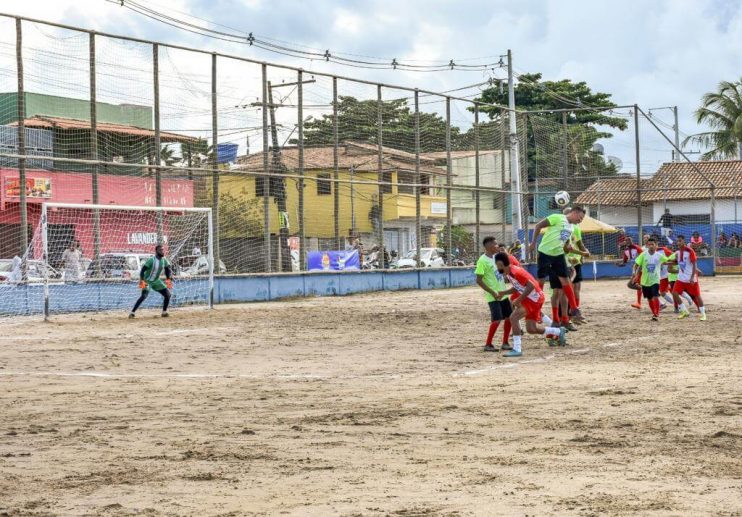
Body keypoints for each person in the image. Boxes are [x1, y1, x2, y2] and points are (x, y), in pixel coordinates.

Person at [493, 252, 567, 357]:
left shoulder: (515, 272)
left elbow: (530, 286)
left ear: (500, 264)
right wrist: (503, 293)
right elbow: (518, 287)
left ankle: (517, 349)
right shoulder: (509, 273)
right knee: (531, 329)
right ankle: (559, 332)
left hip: (534, 299)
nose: (497, 268)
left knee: (513, 317)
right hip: (533, 298)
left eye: (497, 265)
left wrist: (518, 300)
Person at [527, 205, 586, 324]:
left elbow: (565, 242)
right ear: (574, 213)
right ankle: (536, 310)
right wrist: (533, 243)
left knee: (565, 280)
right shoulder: (557, 217)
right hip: (545, 252)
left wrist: (568, 247)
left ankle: (574, 309)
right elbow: (538, 226)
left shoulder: (571, 227)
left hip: (558, 255)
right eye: (579, 218)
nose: (580, 221)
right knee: (541, 282)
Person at [475, 237, 513, 353]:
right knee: (496, 320)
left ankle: (505, 342)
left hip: (503, 293)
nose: (498, 247)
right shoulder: (482, 260)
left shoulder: (497, 258)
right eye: (496, 245)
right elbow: (479, 280)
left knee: (509, 318)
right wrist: (492, 292)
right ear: (490, 246)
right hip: (493, 296)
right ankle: (488, 344)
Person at [669, 235, 707, 321]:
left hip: (690, 278)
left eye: (680, 241)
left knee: (697, 296)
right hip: (681, 278)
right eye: (677, 241)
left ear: (684, 241)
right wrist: (665, 263)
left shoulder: (690, 251)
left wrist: (692, 277)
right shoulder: (677, 252)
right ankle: (684, 311)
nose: (678, 242)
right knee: (674, 293)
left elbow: (694, 265)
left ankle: (703, 314)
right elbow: (676, 262)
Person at [129, 244, 173, 318]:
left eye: (163, 250)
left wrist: (169, 279)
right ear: (156, 251)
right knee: (144, 296)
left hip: (156, 281)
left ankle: (164, 312)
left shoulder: (164, 260)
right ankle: (132, 312)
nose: (162, 251)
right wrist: (142, 281)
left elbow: (167, 270)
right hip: (147, 281)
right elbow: (142, 271)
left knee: (168, 295)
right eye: (160, 250)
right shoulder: (151, 260)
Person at [632, 237, 669, 321]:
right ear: (647, 246)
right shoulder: (643, 255)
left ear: (656, 245)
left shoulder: (659, 255)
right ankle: (654, 313)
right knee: (649, 298)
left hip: (655, 279)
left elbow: (666, 262)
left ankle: (656, 314)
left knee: (655, 296)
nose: (651, 246)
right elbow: (637, 265)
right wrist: (635, 275)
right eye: (649, 244)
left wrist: (675, 262)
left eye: (653, 244)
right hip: (645, 280)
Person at [617, 236, 644, 309]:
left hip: (641, 270)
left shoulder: (637, 248)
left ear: (632, 241)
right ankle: (639, 302)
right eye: (627, 240)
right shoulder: (626, 250)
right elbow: (624, 262)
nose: (628, 241)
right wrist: (619, 265)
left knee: (633, 284)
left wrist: (639, 269)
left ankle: (639, 302)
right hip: (635, 270)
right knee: (634, 285)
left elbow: (644, 257)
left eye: (630, 240)